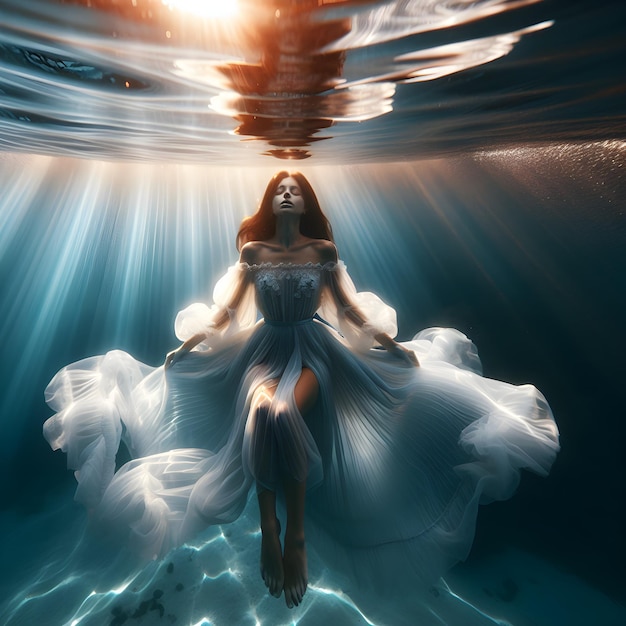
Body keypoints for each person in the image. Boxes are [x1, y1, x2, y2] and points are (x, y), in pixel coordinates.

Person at [44, 171, 560, 610]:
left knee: (284, 412)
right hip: (258, 351)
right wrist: (189, 348)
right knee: (262, 413)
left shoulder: (323, 251)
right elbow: (227, 315)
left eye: (296, 189)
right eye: (280, 189)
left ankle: (296, 536)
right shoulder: (253, 251)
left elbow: (348, 313)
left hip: (317, 351)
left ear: (306, 201)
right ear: (270, 200)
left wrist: (391, 348)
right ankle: (272, 531)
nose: (288, 194)